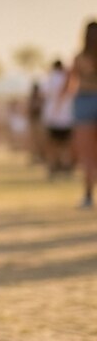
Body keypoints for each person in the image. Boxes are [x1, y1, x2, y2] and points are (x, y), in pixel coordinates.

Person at [68, 21, 97, 208]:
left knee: (87, 156)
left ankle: (88, 196)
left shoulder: (80, 58)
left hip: (85, 101)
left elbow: (70, 83)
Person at [41, 60, 73, 179]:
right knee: (66, 145)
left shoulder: (49, 79)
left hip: (51, 116)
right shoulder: (68, 78)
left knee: (52, 144)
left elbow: (43, 94)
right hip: (67, 116)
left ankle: (53, 166)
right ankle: (65, 166)